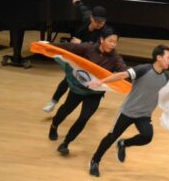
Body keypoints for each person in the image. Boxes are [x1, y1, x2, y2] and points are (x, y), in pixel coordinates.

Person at [87, 45, 169, 177]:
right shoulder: (144, 69)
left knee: (147, 137)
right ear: (159, 57)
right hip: (127, 112)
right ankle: (95, 160)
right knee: (111, 137)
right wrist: (101, 82)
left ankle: (124, 143)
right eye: (168, 58)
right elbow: (122, 75)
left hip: (144, 115)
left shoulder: (166, 77)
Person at [48, 27, 128, 155]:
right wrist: (48, 45)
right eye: (110, 41)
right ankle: (54, 125)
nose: (113, 44)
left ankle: (66, 143)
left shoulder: (115, 58)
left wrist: (134, 78)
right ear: (102, 40)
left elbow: (124, 72)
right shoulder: (88, 48)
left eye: (115, 42)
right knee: (66, 109)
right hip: (79, 88)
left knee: (84, 117)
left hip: (95, 93)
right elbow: (68, 47)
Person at [43, 0, 108, 113]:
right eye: (96, 21)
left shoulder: (105, 32)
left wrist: (81, 44)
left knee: (92, 81)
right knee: (68, 79)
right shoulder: (86, 17)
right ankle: (53, 101)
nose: (99, 24)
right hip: (77, 56)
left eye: (102, 22)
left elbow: (99, 48)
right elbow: (84, 9)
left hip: (93, 60)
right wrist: (78, 2)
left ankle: (98, 96)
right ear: (91, 18)